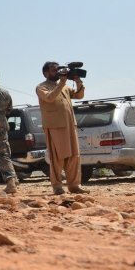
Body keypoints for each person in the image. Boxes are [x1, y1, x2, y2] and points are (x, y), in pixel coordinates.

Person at [36, 61, 86, 194]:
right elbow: (49, 98)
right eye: (54, 70)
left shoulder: (64, 86)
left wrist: (78, 80)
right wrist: (62, 83)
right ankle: (57, 186)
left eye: (58, 69)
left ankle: (74, 185)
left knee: (74, 156)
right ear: (46, 73)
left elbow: (79, 95)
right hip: (55, 126)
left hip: (70, 124)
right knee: (57, 157)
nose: (57, 72)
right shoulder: (42, 87)